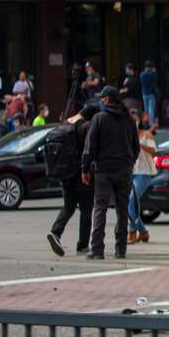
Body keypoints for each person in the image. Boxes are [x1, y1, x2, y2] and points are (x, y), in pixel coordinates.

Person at [81, 86, 139, 260]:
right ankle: (121, 249)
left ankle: (97, 249)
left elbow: (90, 147)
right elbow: (136, 147)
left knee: (100, 208)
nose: (101, 100)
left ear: (107, 100)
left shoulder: (99, 118)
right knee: (122, 210)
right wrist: (129, 162)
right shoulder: (129, 120)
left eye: (102, 98)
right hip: (124, 169)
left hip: (104, 170)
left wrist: (85, 168)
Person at [46, 101, 99, 257]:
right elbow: (89, 150)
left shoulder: (66, 124)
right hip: (81, 174)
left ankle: (55, 232)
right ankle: (82, 245)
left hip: (64, 173)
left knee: (68, 206)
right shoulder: (87, 126)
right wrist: (87, 170)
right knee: (86, 209)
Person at [127, 110, 156, 245]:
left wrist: (140, 145)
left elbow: (153, 150)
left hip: (144, 172)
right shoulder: (127, 136)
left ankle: (132, 231)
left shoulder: (146, 134)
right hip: (131, 172)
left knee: (132, 199)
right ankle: (143, 231)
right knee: (130, 203)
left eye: (134, 120)